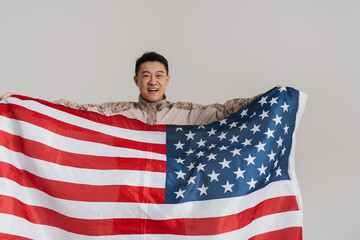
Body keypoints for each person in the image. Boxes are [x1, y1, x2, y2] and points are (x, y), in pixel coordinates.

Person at [1, 52, 267, 125]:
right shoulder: (117, 111)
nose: (153, 81)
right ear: (136, 80)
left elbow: (224, 111)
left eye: (159, 75)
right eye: (146, 75)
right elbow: (74, 109)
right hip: (126, 193)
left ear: (167, 80)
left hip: (170, 196)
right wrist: (27, 103)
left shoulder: (188, 113)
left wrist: (267, 97)